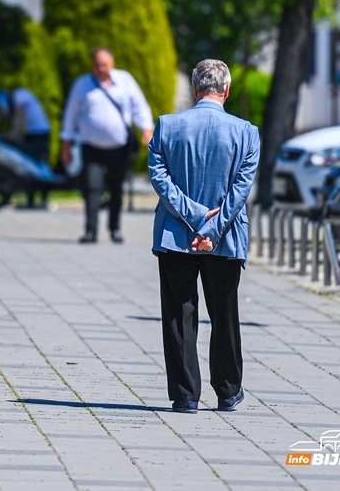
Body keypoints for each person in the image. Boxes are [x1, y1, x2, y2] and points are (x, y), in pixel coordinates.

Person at [148, 59, 260, 414]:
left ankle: (185, 395)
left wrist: (195, 216)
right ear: (226, 90)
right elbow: (240, 190)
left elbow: (160, 178)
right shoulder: (246, 132)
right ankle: (228, 390)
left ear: (195, 89)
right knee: (224, 313)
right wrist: (212, 227)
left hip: (175, 233)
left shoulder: (167, 126)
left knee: (179, 315)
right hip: (225, 237)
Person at [61, 47, 153, 243]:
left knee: (116, 189)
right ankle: (91, 231)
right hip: (91, 146)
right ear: (92, 65)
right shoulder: (82, 84)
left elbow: (140, 106)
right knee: (92, 188)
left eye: (105, 64)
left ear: (112, 64)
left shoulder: (125, 80)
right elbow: (70, 115)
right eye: (97, 65)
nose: (101, 68)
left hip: (119, 147)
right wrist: (65, 144)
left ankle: (115, 229)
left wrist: (146, 129)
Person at [0, 87, 52, 208]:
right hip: (31, 135)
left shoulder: (20, 95)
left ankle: (42, 200)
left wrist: (12, 136)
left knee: (37, 169)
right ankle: (31, 201)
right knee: (28, 168)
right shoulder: (17, 97)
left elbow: (19, 118)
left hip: (39, 135)